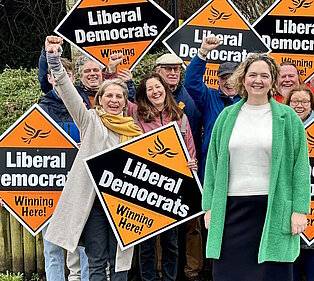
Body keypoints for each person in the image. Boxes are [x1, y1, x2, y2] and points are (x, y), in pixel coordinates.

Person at [202, 53, 311, 281]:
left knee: (273, 274)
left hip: (272, 208)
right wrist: (209, 207)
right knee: (228, 274)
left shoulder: (288, 117)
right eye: (252, 75)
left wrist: (300, 210)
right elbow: (213, 165)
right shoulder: (226, 116)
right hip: (231, 211)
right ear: (243, 79)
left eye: (264, 75)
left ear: (273, 81)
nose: (258, 80)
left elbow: (300, 167)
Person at [44, 41, 142, 281]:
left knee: (120, 264)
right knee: (97, 261)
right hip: (95, 204)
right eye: (109, 95)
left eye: (119, 96)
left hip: (123, 205)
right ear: (100, 99)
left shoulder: (136, 132)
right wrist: (54, 61)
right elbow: (67, 92)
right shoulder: (89, 121)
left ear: (125, 102)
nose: (114, 100)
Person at [129, 72, 197, 281]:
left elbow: (190, 150)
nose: (155, 91)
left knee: (171, 242)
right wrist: (114, 71)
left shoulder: (181, 117)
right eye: (149, 89)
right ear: (145, 94)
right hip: (145, 187)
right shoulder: (136, 116)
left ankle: (169, 279)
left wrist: (192, 165)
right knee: (146, 243)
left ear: (165, 89)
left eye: (157, 87)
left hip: (173, 188)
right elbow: (117, 95)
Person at [37, 36, 90, 281]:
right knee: (52, 249)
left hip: (79, 186)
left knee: (82, 248)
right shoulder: (39, 111)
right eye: (58, 75)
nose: (63, 79)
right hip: (50, 191)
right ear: (50, 78)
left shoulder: (83, 106)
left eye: (68, 75)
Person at [154, 53, 203, 281]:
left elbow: (193, 132)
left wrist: (191, 164)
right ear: (157, 71)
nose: (173, 73)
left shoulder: (189, 96)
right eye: (168, 69)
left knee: (192, 224)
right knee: (161, 225)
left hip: (187, 169)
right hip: (158, 172)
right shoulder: (148, 97)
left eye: (176, 69)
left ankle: (192, 271)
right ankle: (163, 271)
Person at [283, 85, 314, 281]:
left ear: (312, 105)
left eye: (304, 102)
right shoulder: (279, 127)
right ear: (287, 104)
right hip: (285, 203)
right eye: (295, 101)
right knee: (289, 257)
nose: (299, 106)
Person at [184, 35, 241, 181]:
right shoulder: (209, 97)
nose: (228, 82)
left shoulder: (250, 101)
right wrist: (203, 52)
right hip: (211, 166)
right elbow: (191, 84)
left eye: (233, 77)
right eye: (224, 77)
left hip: (240, 167)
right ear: (218, 79)